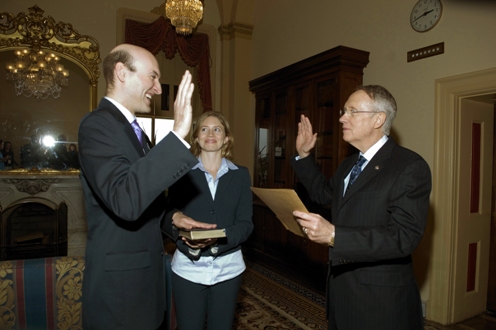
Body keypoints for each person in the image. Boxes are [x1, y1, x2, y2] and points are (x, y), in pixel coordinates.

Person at [78, 43, 216, 330]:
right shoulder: (97, 125)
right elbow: (124, 201)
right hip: (120, 293)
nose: (157, 88)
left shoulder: (133, 131)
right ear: (121, 72)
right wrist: (178, 133)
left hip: (144, 285)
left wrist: (175, 220)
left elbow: (144, 198)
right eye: (152, 77)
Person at [291, 85, 432, 330]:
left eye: (352, 111)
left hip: (380, 302)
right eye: (345, 111)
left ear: (379, 119)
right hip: (341, 290)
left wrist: (334, 235)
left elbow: (403, 237)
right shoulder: (349, 165)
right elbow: (323, 194)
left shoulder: (409, 166)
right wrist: (303, 156)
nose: (342, 117)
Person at [165, 111, 253, 330]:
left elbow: (245, 224)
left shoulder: (241, 175)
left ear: (226, 138)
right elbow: (167, 215)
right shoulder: (181, 174)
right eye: (204, 129)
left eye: (217, 129)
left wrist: (217, 239)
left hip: (228, 269)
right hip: (188, 268)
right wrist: (183, 235)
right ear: (196, 137)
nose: (210, 133)